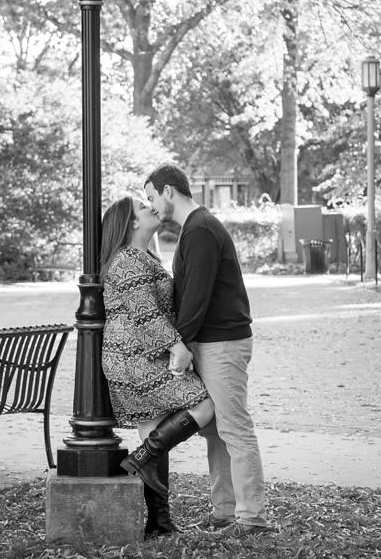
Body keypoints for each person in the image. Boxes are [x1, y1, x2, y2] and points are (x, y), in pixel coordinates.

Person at [123, 166, 272, 536]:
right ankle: (224, 514)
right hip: (209, 342)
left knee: (234, 428)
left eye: (153, 196)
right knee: (217, 431)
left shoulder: (202, 229)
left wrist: (179, 345)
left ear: (169, 191)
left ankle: (252, 519)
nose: (153, 206)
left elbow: (197, 297)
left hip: (221, 343)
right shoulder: (194, 229)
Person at [97, 195, 217, 537]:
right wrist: (177, 346)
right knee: (203, 405)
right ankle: (138, 460)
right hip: (134, 359)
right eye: (141, 207)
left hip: (137, 354)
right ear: (131, 223)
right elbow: (146, 312)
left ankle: (160, 522)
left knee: (154, 434)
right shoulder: (127, 262)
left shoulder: (143, 256)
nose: (150, 208)